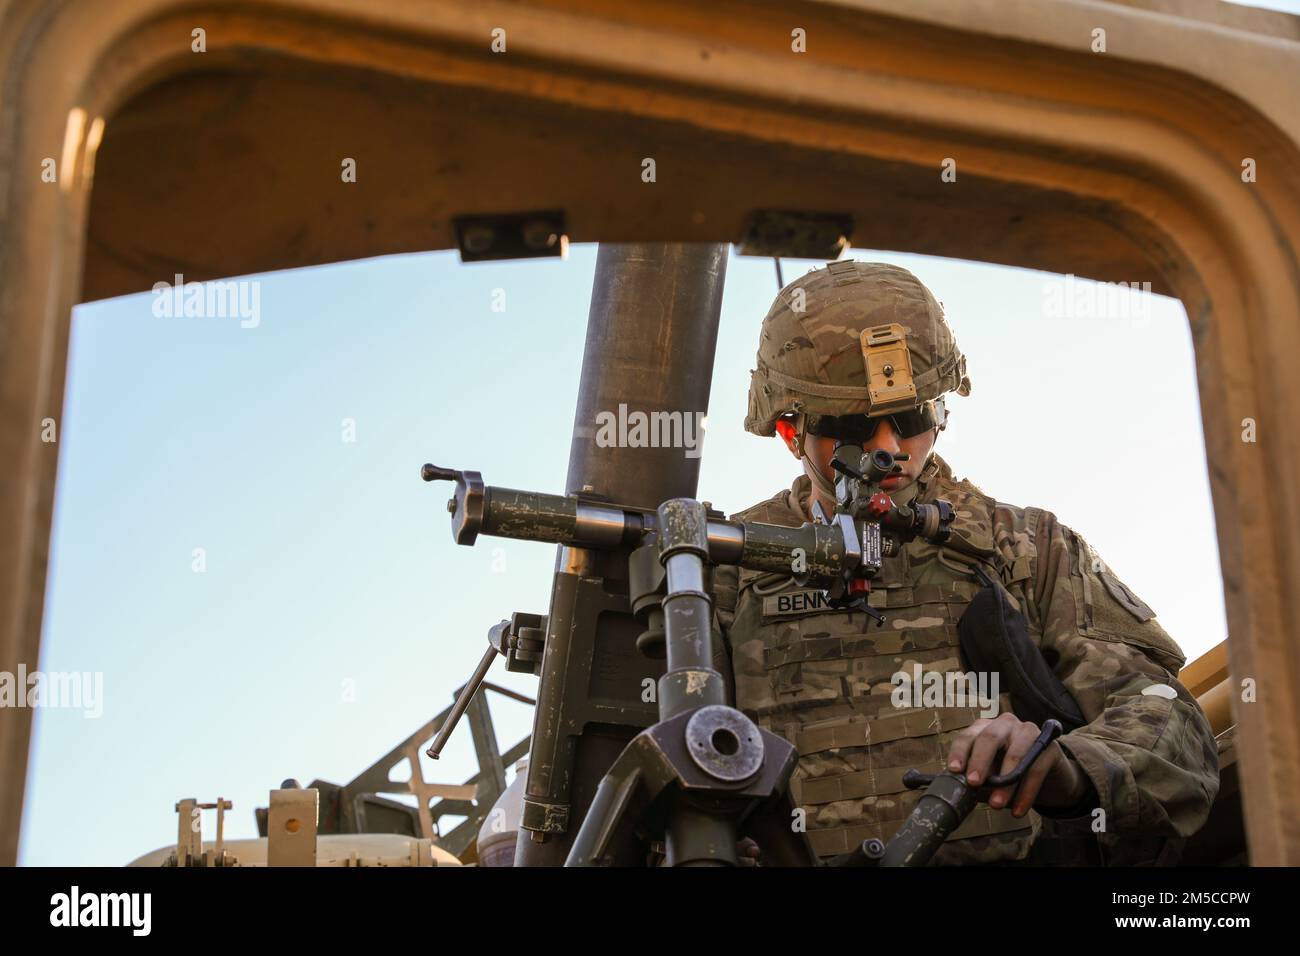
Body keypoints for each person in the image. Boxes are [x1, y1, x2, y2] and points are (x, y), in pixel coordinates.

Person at [712, 259, 1219, 865]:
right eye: (851, 425)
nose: (888, 449)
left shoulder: (1023, 545)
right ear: (791, 430)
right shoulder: (728, 559)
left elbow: (1171, 726)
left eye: (910, 418)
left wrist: (1069, 768)